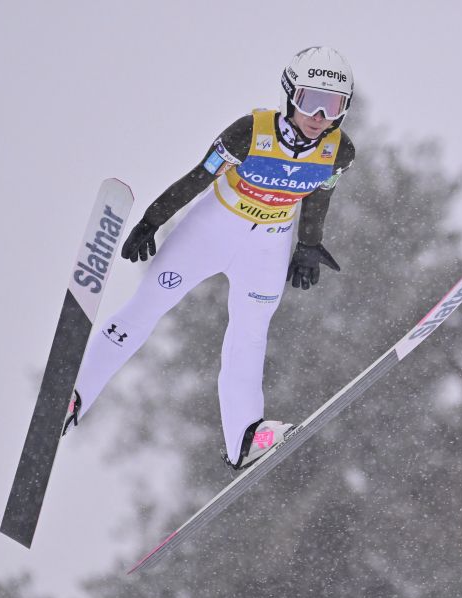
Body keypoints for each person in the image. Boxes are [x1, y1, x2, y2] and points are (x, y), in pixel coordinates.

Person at [62, 46, 356, 470]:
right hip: (212, 232)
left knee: (250, 335)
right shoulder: (249, 131)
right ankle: (73, 396)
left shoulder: (338, 150)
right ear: (290, 95)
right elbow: (198, 176)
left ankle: (245, 438)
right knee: (145, 308)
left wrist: (308, 245)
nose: (321, 117)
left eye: (334, 106)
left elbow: (319, 196)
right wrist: (152, 219)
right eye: (312, 102)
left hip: (268, 245)